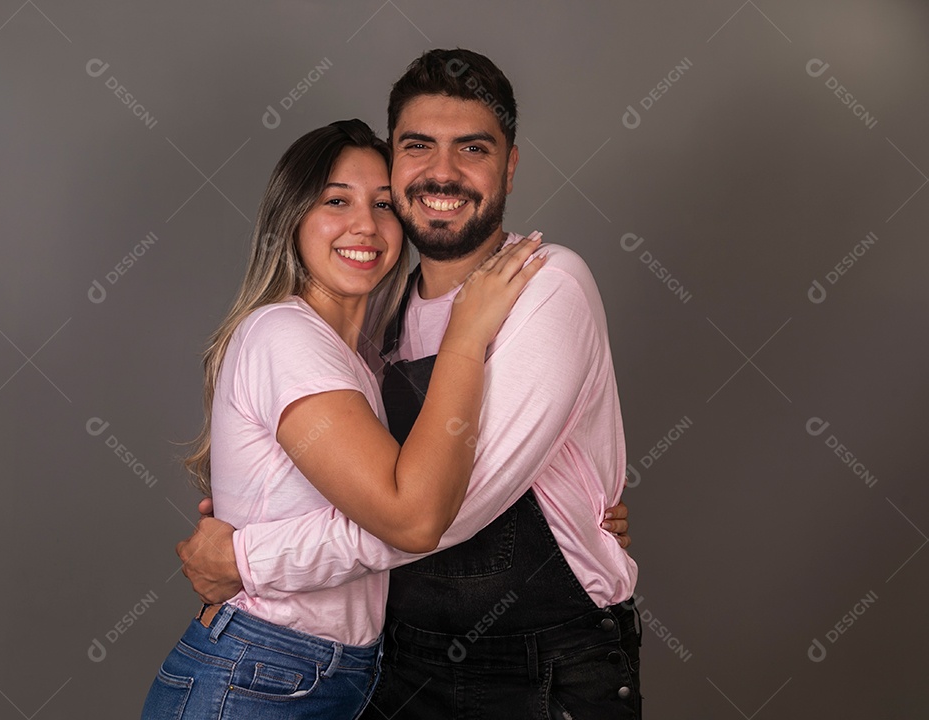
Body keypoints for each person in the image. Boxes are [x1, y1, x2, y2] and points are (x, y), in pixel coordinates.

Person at [176, 49, 641, 719]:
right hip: (399, 664)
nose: (443, 173)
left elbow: (437, 514)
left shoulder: (545, 287)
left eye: (472, 148)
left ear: (509, 166)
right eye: (419, 147)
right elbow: (381, 492)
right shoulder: (374, 320)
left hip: (539, 669)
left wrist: (246, 558)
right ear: (396, 163)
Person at [141, 118, 549, 720]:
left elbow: (431, 487)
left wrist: (558, 520)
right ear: (293, 219)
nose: (365, 225)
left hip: (323, 675)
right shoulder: (286, 335)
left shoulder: (360, 360)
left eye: (385, 204)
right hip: (263, 674)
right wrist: (467, 331)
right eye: (337, 201)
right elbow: (411, 516)